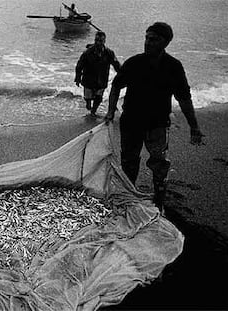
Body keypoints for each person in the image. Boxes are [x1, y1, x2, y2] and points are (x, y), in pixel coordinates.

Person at [104, 22, 204, 214]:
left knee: (159, 163)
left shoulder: (173, 67)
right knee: (129, 161)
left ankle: (159, 200)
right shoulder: (134, 63)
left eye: (154, 39)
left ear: (165, 43)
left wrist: (194, 127)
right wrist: (110, 111)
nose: (148, 42)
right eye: (147, 38)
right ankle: (129, 196)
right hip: (131, 122)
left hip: (157, 125)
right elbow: (116, 86)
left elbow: (184, 98)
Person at [75, 31, 121, 116]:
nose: (98, 43)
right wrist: (77, 78)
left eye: (100, 41)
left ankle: (93, 111)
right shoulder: (87, 52)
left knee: (98, 98)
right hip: (88, 78)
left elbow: (116, 64)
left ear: (104, 41)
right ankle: (88, 104)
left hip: (102, 79)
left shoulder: (109, 53)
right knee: (88, 97)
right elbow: (79, 65)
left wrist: (122, 75)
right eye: (96, 40)